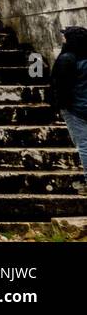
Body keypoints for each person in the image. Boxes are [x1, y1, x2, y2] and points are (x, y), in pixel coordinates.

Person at [51, 25, 87, 194]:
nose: (63, 39)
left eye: (65, 37)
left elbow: (60, 85)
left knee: (84, 145)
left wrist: (60, 105)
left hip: (75, 109)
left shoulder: (67, 58)